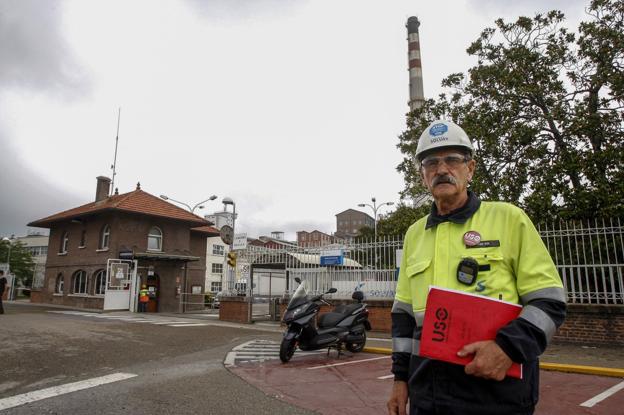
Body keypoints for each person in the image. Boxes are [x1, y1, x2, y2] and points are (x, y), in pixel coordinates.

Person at [387, 120, 567, 415]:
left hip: (496, 393)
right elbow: (404, 317)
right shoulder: (414, 234)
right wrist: (399, 379)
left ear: (470, 169)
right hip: (428, 393)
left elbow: (549, 302)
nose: (442, 169)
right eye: (431, 162)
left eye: (453, 160)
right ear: (422, 176)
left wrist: (507, 349)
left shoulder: (509, 219)